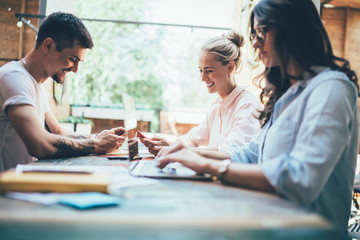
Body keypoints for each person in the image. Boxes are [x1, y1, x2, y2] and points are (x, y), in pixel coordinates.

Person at [156, 0, 359, 230]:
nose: (254, 42)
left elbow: (300, 179)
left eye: (262, 32)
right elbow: (250, 154)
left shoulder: (331, 88)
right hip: (269, 222)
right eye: (254, 34)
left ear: (291, 30)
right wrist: (188, 153)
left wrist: (208, 165)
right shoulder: (287, 95)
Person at [0, 12, 125, 172]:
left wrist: (100, 137)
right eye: (73, 59)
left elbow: (58, 131)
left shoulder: (35, 84)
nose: (76, 69)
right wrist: (96, 145)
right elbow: (40, 144)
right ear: (48, 46)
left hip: (25, 184)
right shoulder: (14, 77)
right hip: (7, 191)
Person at [141, 31, 260, 155]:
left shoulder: (247, 105)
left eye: (209, 70)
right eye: (201, 70)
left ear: (230, 67)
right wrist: (168, 145)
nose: (203, 78)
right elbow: (193, 138)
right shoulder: (218, 105)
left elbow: (230, 152)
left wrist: (177, 150)